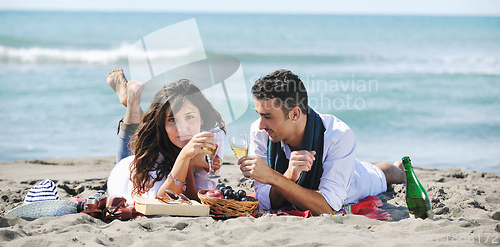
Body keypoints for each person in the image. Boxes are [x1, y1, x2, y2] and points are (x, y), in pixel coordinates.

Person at [238, 69, 405, 216]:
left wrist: (274, 177)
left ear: (295, 114)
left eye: (267, 116)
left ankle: (400, 169)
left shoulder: (338, 135)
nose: (260, 124)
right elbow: (266, 202)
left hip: (357, 180)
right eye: (259, 114)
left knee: (384, 173)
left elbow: (328, 207)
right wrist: (289, 176)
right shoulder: (260, 132)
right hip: (337, 167)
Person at [105, 69, 225, 205]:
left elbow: (197, 200)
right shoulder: (156, 144)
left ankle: (132, 101)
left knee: (146, 128)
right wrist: (185, 157)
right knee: (140, 141)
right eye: (172, 120)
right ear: (163, 124)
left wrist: (189, 166)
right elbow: (163, 200)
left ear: (202, 118)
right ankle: (132, 103)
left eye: (189, 117)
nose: (182, 128)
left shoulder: (212, 138)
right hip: (127, 178)